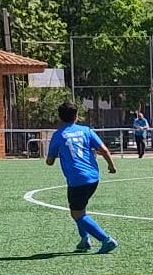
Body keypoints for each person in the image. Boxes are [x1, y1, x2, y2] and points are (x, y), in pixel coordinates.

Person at [46, 102, 119, 254]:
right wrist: (111, 166)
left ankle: (106, 240)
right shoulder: (86, 131)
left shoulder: (58, 135)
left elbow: (49, 161)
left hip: (77, 180)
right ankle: (85, 239)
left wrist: (59, 154)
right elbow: (104, 150)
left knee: (77, 213)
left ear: (60, 117)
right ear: (76, 116)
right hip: (93, 177)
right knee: (80, 209)